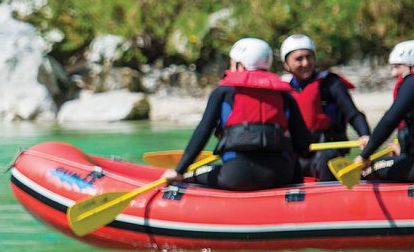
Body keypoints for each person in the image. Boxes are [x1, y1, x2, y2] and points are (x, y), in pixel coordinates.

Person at [164, 37, 312, 191]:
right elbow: (303, 143)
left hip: (236, 176)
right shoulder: (285, 95)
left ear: (240, 65)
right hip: (280, 176)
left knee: (189, 179)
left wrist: (179, 171)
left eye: (232, 62)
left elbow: (202, 132)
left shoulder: (223, 92)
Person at [278, 34, 370, 180]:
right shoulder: (282, 89)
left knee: (326, 159)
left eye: (309, 57)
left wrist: (365, 134)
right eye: (298, 59)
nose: (306, 63)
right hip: (298, 152)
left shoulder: (331, 84)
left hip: (327, 151)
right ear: (286, 64)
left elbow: (353, 114)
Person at [347, 40, 414, 183]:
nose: (393, 73)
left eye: (397, 67)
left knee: (368, 169)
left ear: (411, 66)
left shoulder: (411, 81)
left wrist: (365, 155)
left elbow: (390, 120)